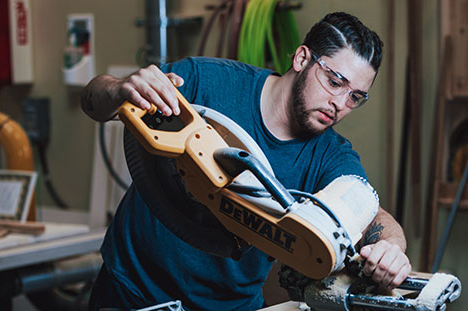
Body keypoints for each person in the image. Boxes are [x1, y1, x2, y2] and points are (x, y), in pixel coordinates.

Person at [82, 12, 411, 311]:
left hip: (229, 306)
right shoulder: (206, 82)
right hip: (129, 291)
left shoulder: (330, 155)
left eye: (355, 96)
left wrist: (393, 247)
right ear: (301, 58)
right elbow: (93, 101)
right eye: (334, 82)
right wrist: (120, 88)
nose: (339, 103)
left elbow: (367, 211)